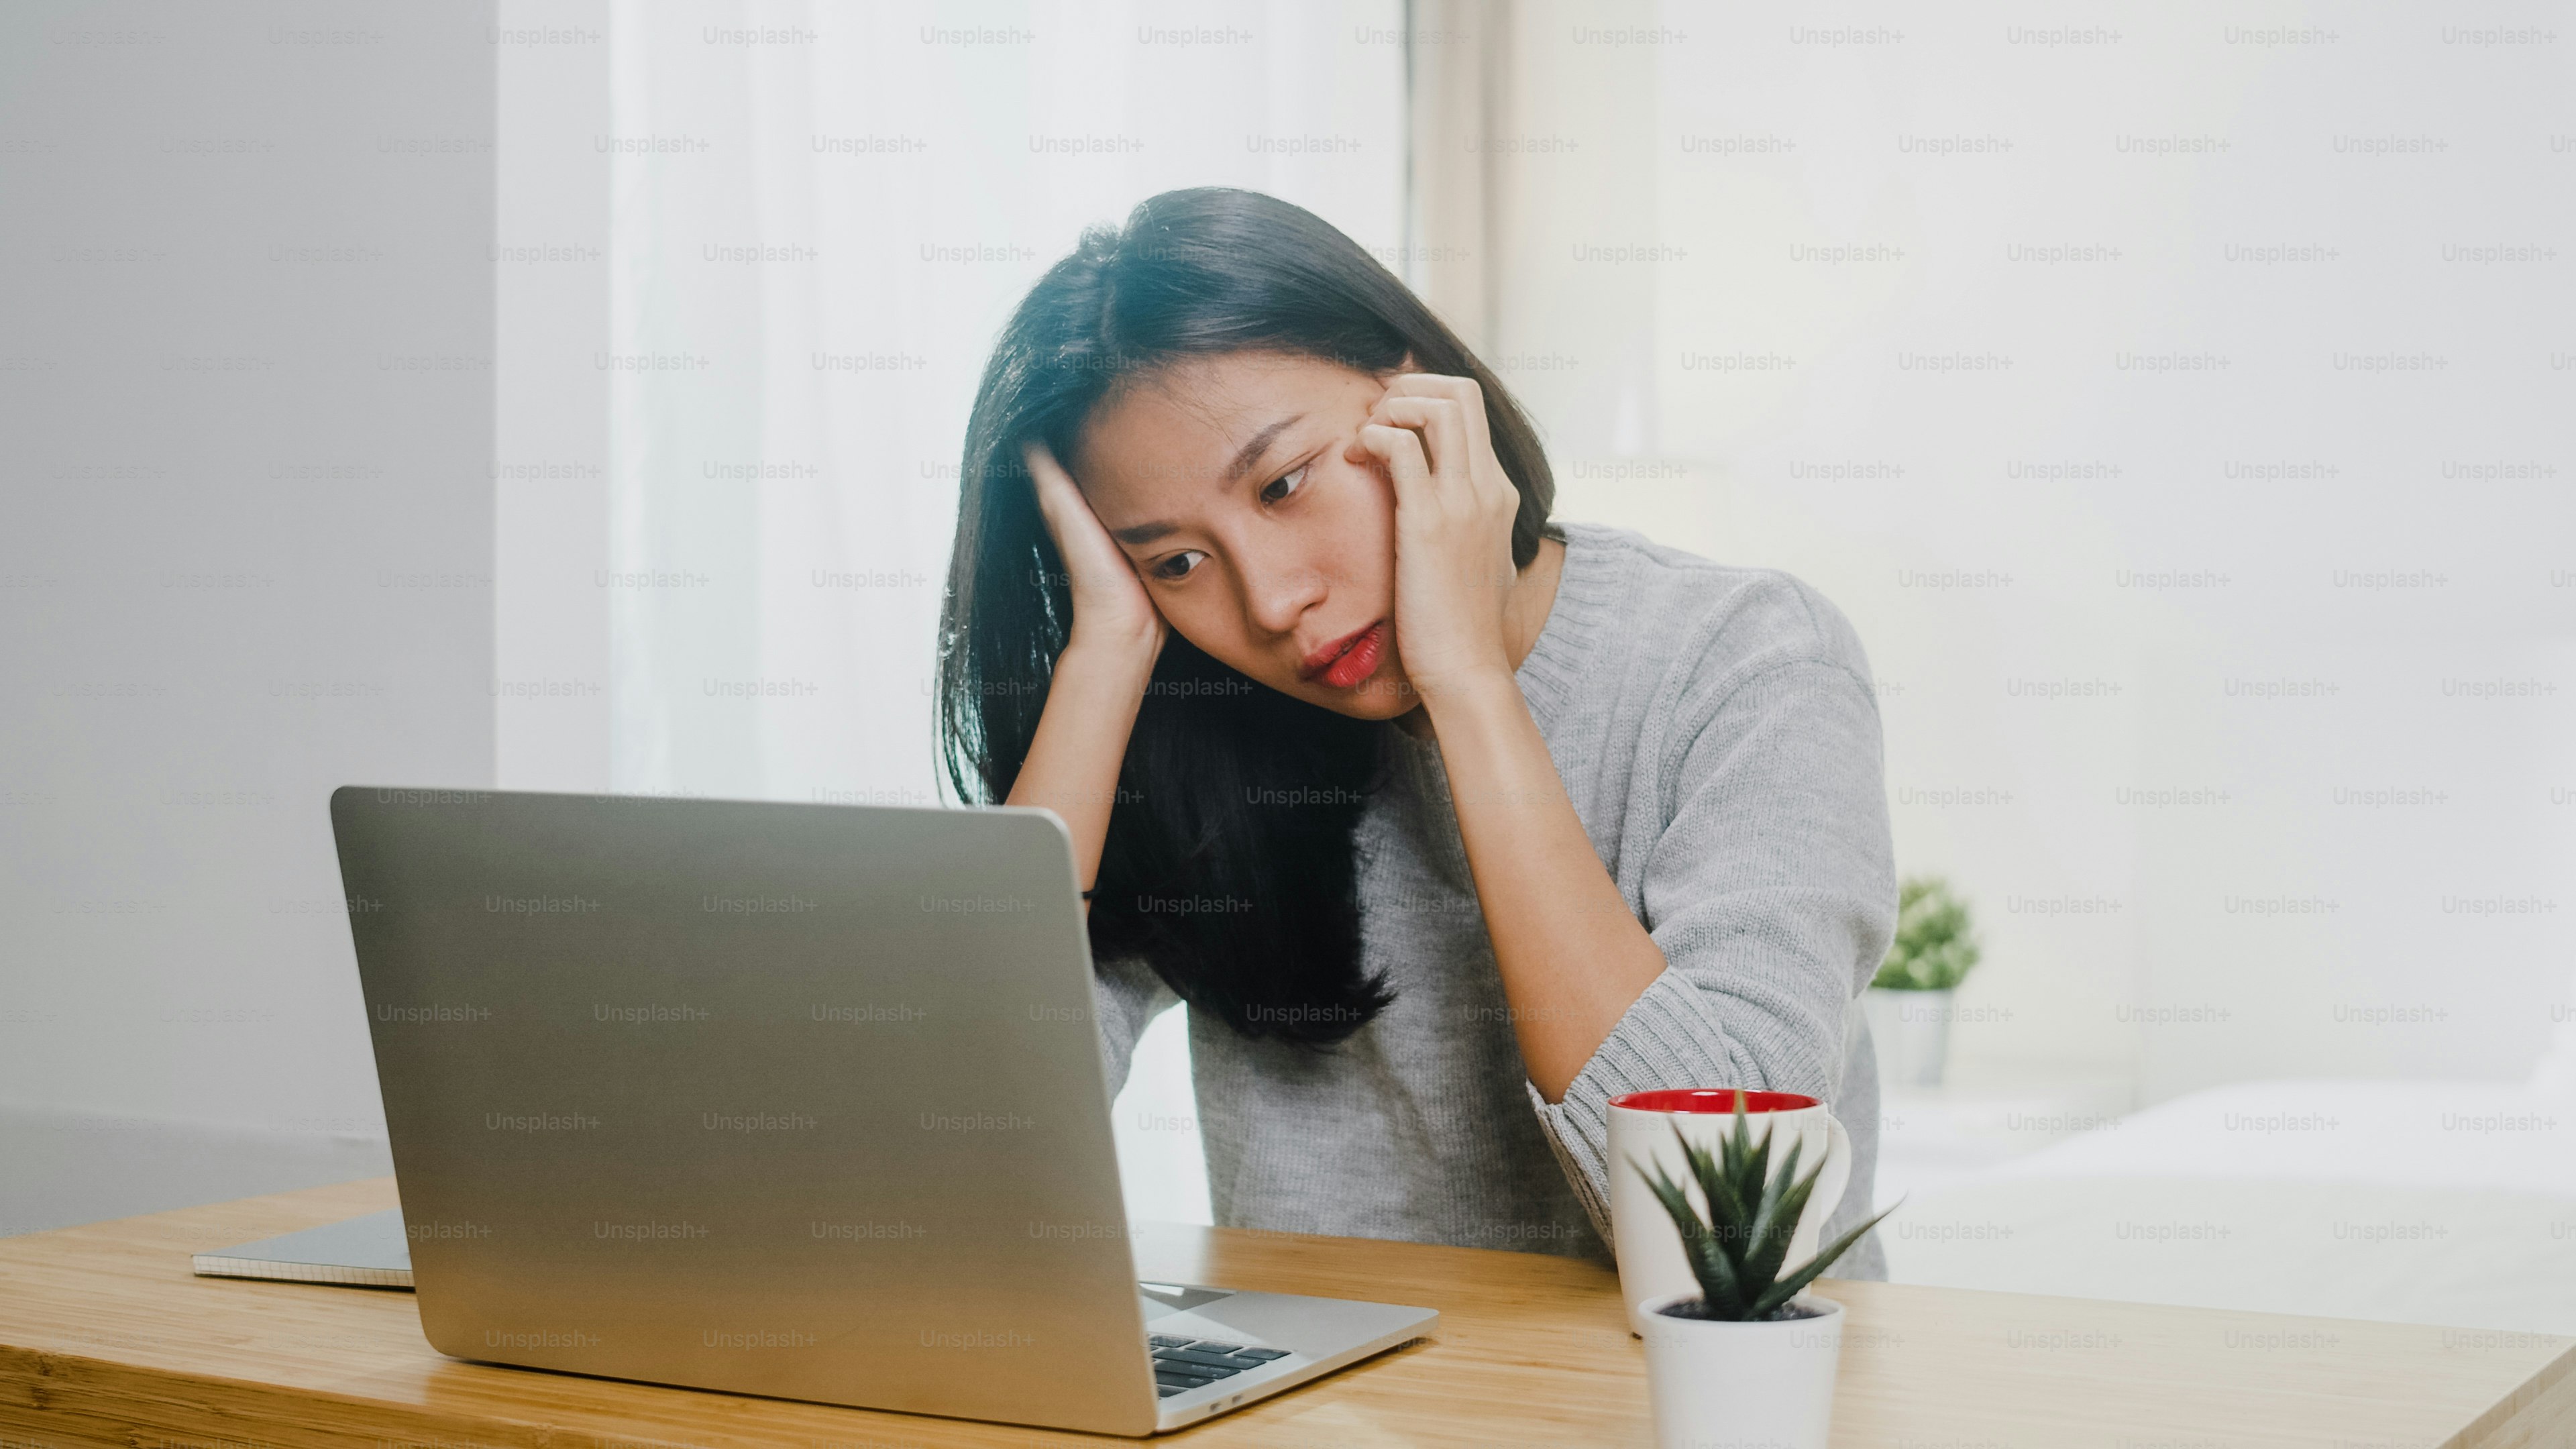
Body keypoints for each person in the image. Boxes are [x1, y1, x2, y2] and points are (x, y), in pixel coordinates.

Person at [935, 186, 1897, 1276]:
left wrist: (1471, 687)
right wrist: (1105, 654)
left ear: (1419, 396)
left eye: (1284, 483)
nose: (1266, 603)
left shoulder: (1750, 663)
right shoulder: (1204, 720)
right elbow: (951, 1168)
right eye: (1176, 562)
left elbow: (1729, 1230)